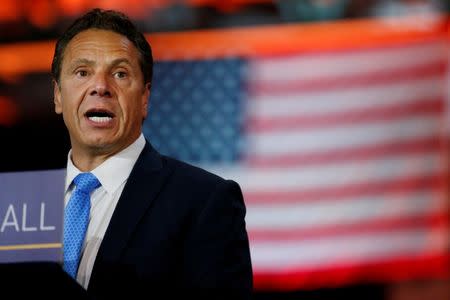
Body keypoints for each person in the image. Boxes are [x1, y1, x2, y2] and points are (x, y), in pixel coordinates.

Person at [51, 7, 253, 299]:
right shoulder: (23, 202)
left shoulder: (203, 202)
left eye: (120, 73)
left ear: (145, 98)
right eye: (82, 72)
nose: (100, 87)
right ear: (58, 94)